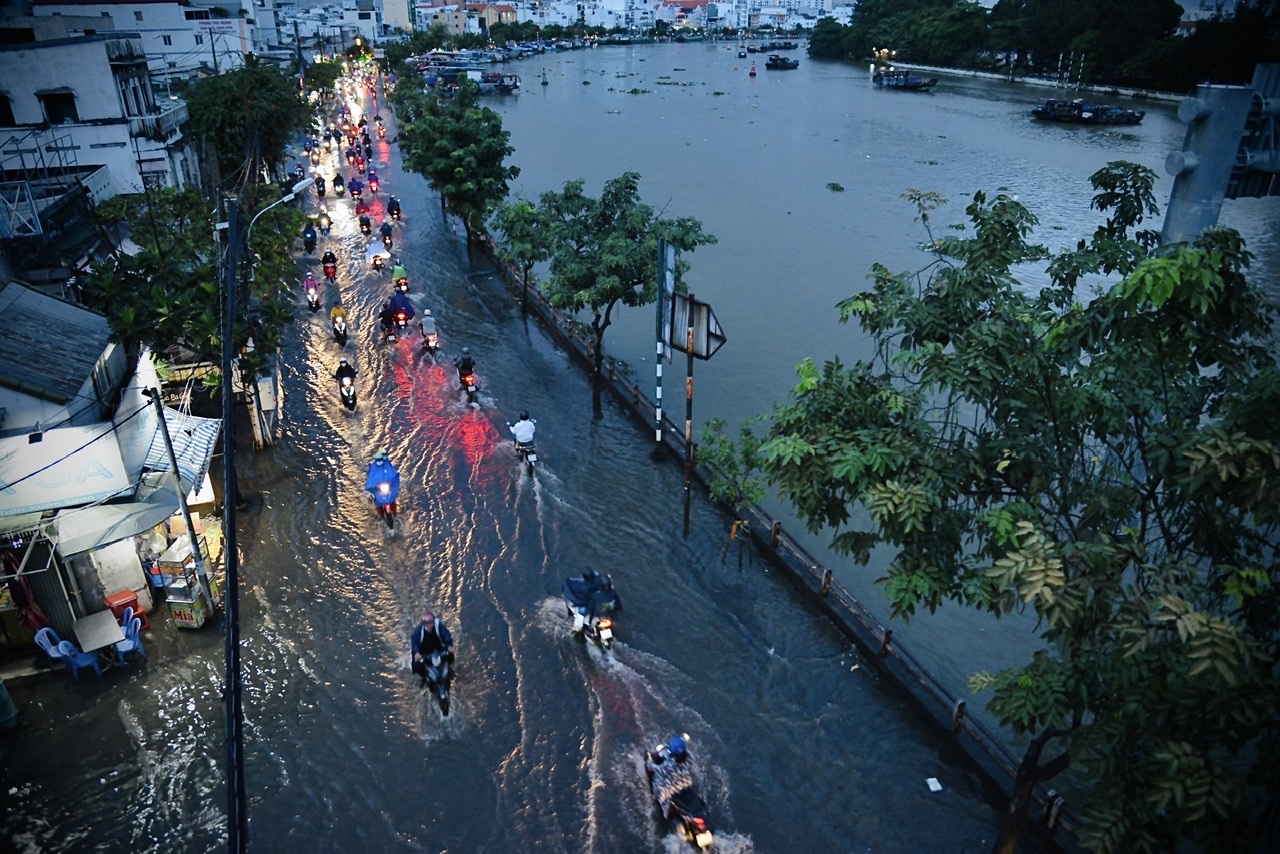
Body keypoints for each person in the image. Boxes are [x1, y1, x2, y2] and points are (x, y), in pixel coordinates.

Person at [649, 735, 696, 819]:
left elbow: (653, 767)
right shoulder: (690, 757)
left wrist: (652, 761)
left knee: (656, 783)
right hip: (684, 785)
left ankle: (665, 813)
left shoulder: (667, 765)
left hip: (669, 792)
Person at [410, 611, 455, 687]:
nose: (430, 625)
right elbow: (415, 642)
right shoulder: (419, 630)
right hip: (424, 651)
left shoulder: (438, 625)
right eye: (428, 623)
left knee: (450, 656)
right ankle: (424, 677)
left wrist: (449, 645)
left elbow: (446, 634)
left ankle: (448, 669)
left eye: (431, 622)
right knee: (417, 666)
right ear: (424, 624)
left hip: (438, 648)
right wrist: (417, 652)